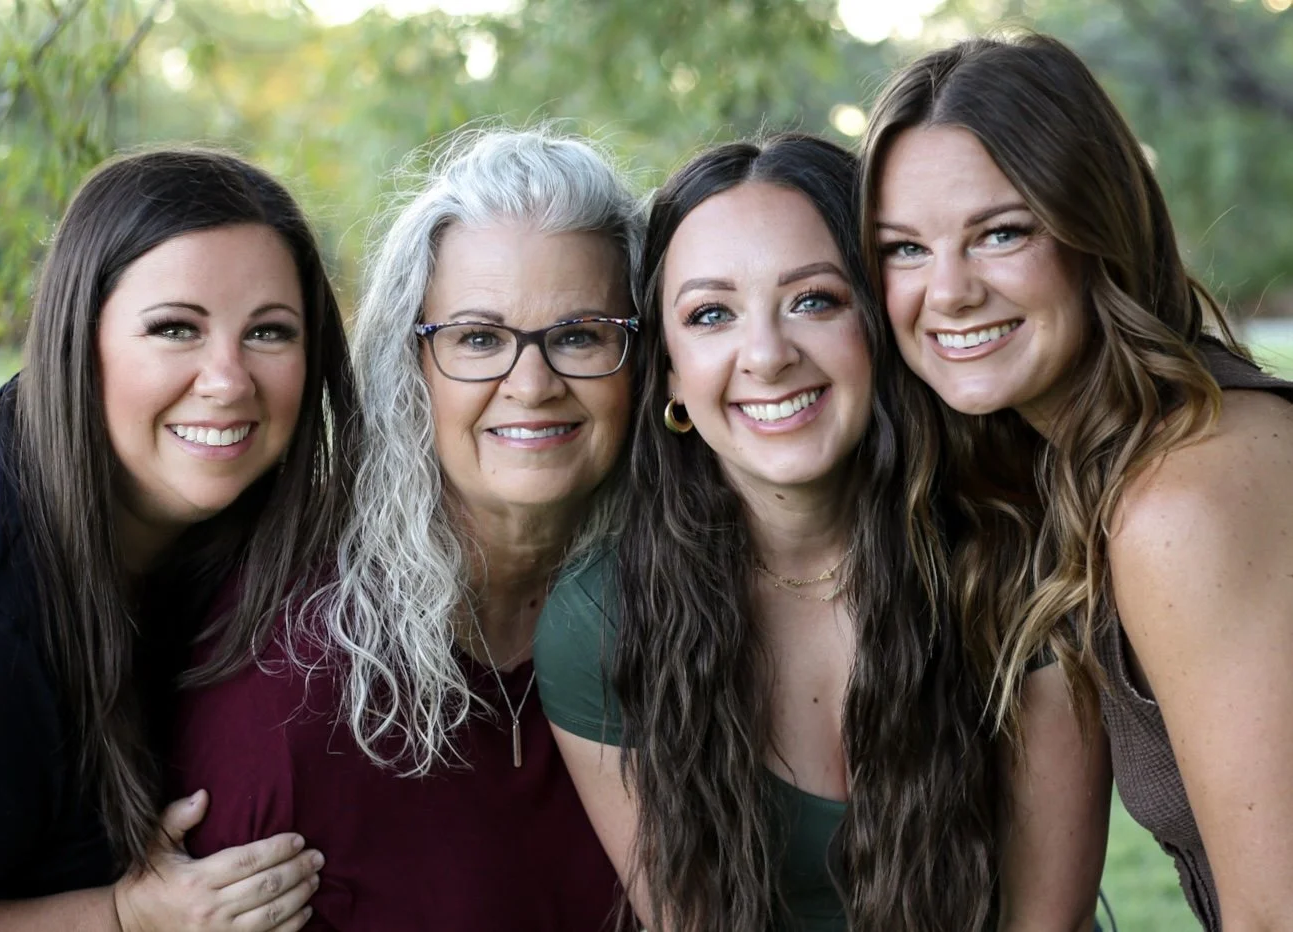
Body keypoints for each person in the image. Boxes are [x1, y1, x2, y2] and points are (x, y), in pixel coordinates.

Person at [535, 133, 1110, 931]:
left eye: (814, 300)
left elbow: (1047, 922)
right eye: (711, 315)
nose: (766, 356)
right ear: (669, 371)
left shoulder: (1014, 560)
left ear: (877, 324)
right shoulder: (600, 622)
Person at [862, 33, 1293, 930]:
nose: (947, 292)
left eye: (1002, 233)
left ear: (1095, 229)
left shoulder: (1183, 499)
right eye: (904, 249)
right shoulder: (1097, 471)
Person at [169, 128, 641, 930]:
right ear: (408, 368)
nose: (532, 384)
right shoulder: (294, 684)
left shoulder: (682, 621)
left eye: (579, 334)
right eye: (478, 339)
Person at [0, 148, 361, 932]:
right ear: (83, 338)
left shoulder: (245, 521)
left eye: (270, 333)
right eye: (176, 327)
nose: (228, 379)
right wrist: (120, 917)